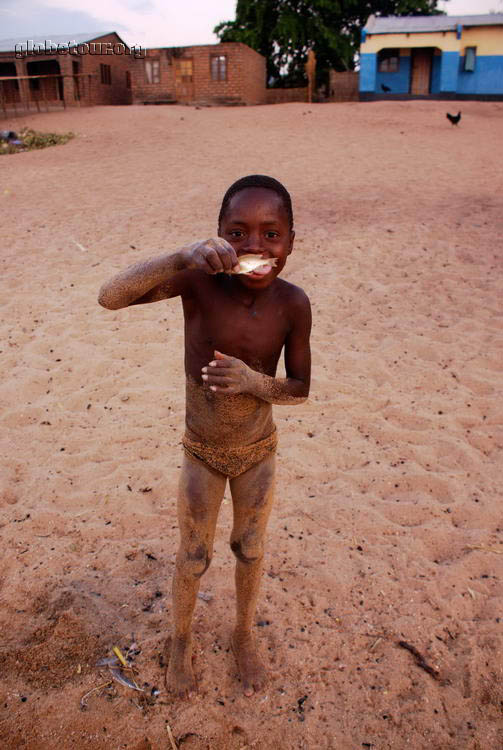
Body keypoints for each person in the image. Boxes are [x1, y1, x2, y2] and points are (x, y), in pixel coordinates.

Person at [98, 174, 312, 698]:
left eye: (271, 234)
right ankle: (180, 639)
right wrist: (181, 255)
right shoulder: (198, 283)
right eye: (237, 234)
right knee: (193, 556)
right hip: (202, 453)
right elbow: (110, 297)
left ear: (291, 240)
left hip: (258, 454)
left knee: (250, 548)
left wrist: (254, 382)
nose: (255, 247)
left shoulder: (293, 303)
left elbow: (301, 389)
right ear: (216, 236)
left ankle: (242, 634)